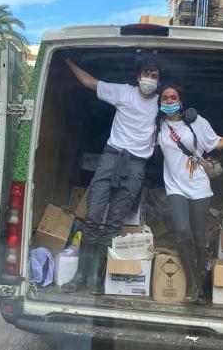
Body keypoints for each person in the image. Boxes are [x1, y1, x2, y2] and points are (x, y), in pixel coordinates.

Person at [60, 59, 198, 295]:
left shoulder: (160, 103)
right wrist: (67, 60)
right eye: (147, 73)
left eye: (155, 75)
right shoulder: (123, 92)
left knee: (114, 224)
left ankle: (96, 277)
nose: (150, 78)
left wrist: (191, 115)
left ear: (158, 81)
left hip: (136, 166)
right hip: (111, 159)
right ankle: (79, 275)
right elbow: (90, 83)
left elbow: (178, 114)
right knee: (93, 217)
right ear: (138, 76)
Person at [154, 85, 223, 302]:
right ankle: (194, 283)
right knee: (183, 232)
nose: (169, 101)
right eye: (165, 98)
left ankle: (199, 281)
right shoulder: (158, 125)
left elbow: (218, 144)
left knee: (200, 236)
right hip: (175, 187)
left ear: (181, 101)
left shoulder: (195, 122)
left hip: (199, 187)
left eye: (173, 97)